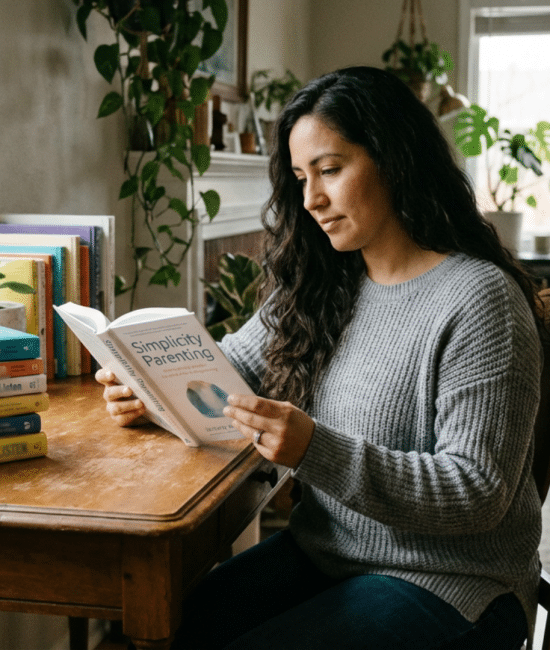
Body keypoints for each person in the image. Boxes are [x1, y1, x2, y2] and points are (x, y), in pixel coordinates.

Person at [96, 66, 544, 649]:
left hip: (454, 582)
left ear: (395, 158)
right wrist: (148, 387)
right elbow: (229, 371)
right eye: (302, 177)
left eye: (331, 170)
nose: (311, 199)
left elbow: (477, 490)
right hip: (328, 553)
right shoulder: (324, 281)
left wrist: (315, 449)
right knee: (179, 624)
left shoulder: (479, 300)